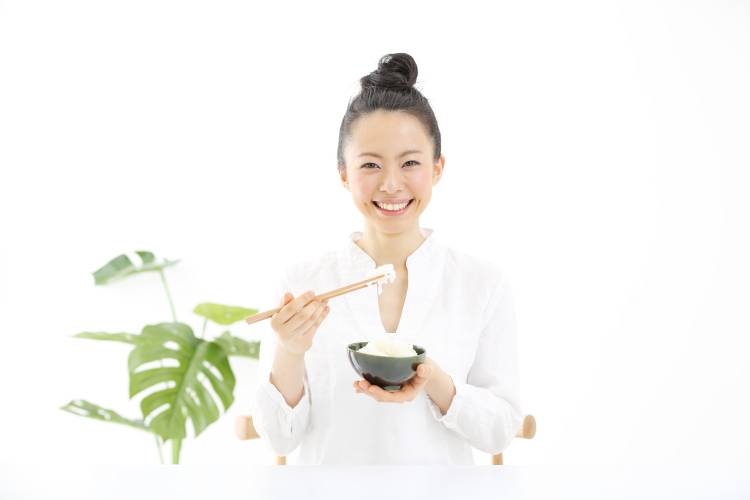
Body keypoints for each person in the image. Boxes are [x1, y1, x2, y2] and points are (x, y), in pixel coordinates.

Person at [251, 53, 523, 465]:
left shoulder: (481, 282)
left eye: (410, 163)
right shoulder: (303, 281)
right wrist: (289, 350)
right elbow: (280, 441)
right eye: (371, 165)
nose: (391, 184)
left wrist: (433, 379)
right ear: (344, 174)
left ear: (437, 168)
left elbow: (500, 430)